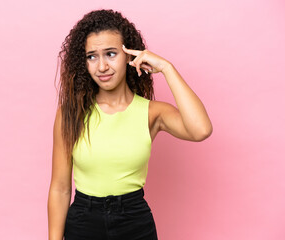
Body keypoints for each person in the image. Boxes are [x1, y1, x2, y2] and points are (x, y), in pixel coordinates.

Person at [48, 9, 212, 240]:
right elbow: (60, 188)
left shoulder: (152, 112)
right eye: (92, 56)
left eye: (111, 54)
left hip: (134, 222)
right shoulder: (71, 114)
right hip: (83, 223)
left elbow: (201, 129)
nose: (102, 66)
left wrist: (167, 68)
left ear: (128, 56)